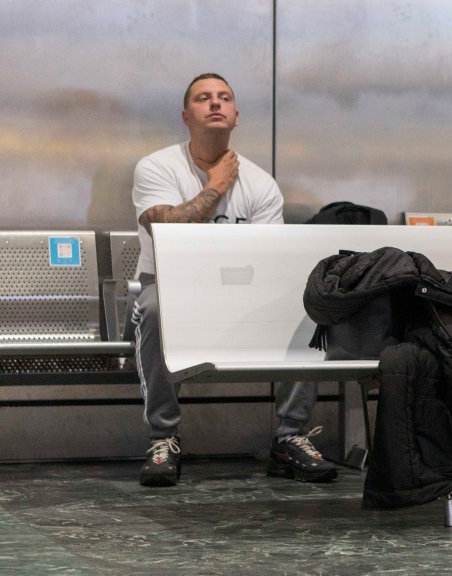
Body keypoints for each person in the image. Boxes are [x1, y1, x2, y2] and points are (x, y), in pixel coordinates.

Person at [130, 73, 337, 487]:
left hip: (242, 296)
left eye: (224, 98)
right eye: (203, 98)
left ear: (236, 116)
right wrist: (217, 185)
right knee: (152, 309)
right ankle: (163, 437)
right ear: (186, 115)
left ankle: (290, 437)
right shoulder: (156, 168)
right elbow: (168, 233)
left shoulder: (260, 184)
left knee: (310, 313)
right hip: (171, 290)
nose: (215, 103)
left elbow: (267, 257)